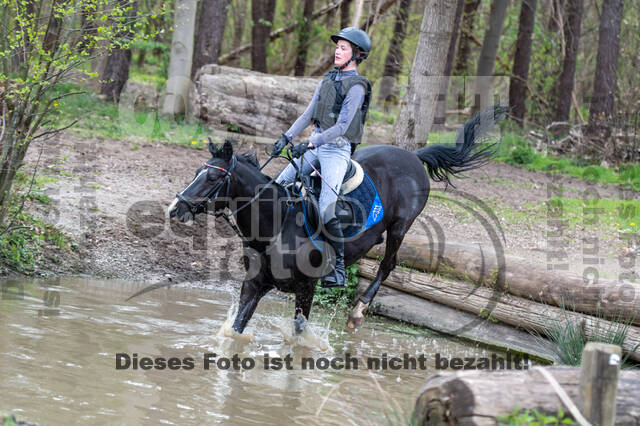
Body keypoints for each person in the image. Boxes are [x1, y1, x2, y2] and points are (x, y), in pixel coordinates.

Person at [271, 27, 372, 288]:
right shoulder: (327, 79)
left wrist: (310, 142)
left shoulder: (357, 87)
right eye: (337, 47)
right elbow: (307, 115)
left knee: (328, 207)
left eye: (343, 48)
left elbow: (341, 126)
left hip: (336, 150)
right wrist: (286, 137)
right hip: (314, 145)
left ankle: (336, 267)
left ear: (356, 54)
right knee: (278, 186)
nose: (337, 51)